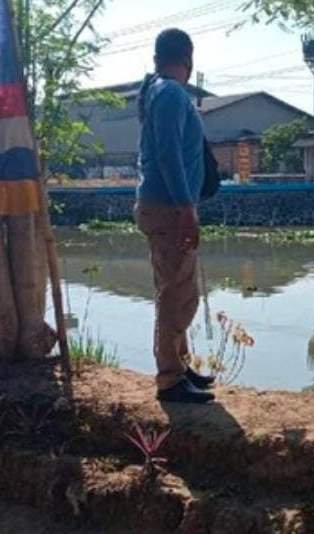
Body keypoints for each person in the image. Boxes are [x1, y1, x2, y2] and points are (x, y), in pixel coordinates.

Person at [135, 28, 215, 404]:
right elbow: (169, 155)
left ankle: (179, 369)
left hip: (166, 205)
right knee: (176, 294)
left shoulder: (157, 92)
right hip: (169, 208)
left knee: (177, 289)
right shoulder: (169, 94)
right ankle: (170, 379)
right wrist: (186, 208)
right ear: (188, 57)